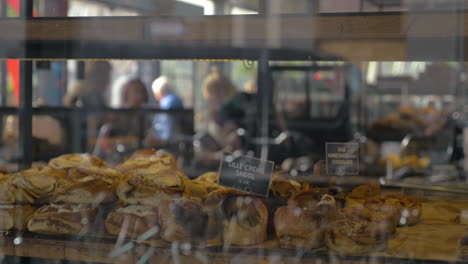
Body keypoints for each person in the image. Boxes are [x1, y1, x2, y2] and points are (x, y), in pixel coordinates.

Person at [149, 76, 184, 144]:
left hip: (169, 141)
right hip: (177, 139)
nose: (156, 97)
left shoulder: (167, 103)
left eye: (156, 94)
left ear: (160, 92)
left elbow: (166, 126)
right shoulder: (176, 99)